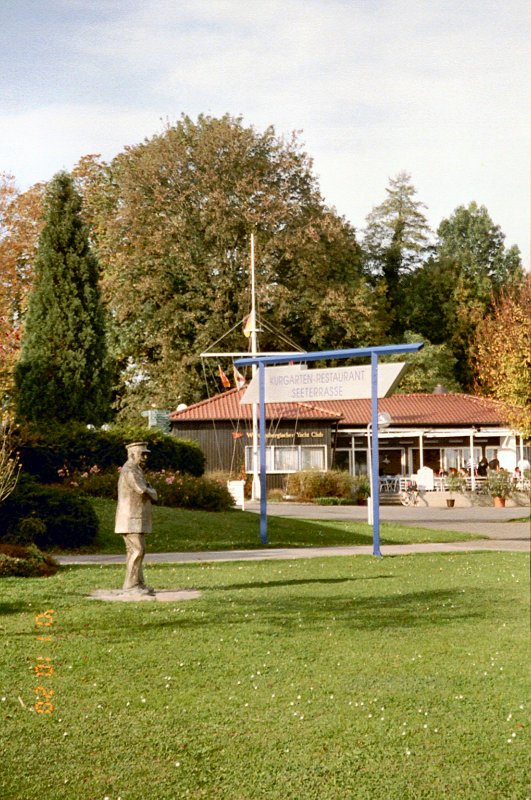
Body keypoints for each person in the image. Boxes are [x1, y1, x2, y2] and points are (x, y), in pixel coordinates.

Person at [115, 442, 158, 595]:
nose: (145, 457)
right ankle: (131, 586)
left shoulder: (136, 470)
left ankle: (138, 583)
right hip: (130, 518)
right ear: (133, 454)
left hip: (135, 518)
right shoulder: (130, 470)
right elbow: (143, 489)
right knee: (137, 550)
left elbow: (148, 489)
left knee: (137, 550)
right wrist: (152, 492)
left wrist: (151, 491)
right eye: (142, 454)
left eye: (146, 454)